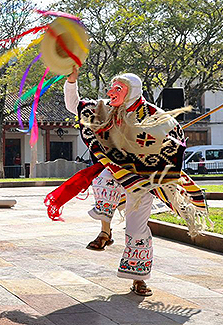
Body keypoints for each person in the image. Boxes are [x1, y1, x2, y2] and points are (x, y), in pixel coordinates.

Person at [58, 66, 207, 297]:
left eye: (118, 88)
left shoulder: (155, 116)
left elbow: (173, 147)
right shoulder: (104, 109)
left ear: (132, 92)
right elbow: (74, 106)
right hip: (116, 172)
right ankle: (105, 232)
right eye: (111, 87)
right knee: (103, 181)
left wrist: (156, 150)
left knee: (137, 230)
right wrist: (72, 81)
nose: (111, 92)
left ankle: (139, 279)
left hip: (143, 180)